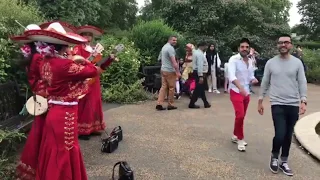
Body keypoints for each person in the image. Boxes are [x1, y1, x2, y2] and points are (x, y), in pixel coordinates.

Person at [24, 22, 99, 180]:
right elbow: (92, 71)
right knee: (65, 150)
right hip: (65, 115)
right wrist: (80, 59)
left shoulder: (45, 62)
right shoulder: (64, 65)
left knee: (53, 150)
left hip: (54, 111)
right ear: (64, 47)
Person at [258, 34, 307, 176]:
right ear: (277, 45)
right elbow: (265, 82)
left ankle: (284, 161)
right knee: (279, 134)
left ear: (291, 45)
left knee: (288, 135)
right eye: (280, 43)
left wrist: (303, 101)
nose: (283, 45)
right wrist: (260, 100)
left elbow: (302, 82)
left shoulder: (297, 63)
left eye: (286, 42)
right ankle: (274, 157)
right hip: (277, 103)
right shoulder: (271, 63)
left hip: (293, 104)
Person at [10, 24, 48, 179]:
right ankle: (41, 164)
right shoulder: (39, 57)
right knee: (43, 132)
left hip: (37, 95)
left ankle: (33, 166)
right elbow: (47, 76)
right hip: (45, 96)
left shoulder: (29, 56)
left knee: (39, 130)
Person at [73, 25, 112, 140]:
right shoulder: (77, 48)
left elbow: (98, 63)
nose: (88, 37)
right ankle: (82, 130)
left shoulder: (94, 48)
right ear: (81, 36)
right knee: (84, 101)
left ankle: (93, 128)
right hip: (83, 77)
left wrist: (105, 59)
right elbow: (75, 62)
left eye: (90, 35)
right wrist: (90, 57)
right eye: (85, 34)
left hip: (94, 77)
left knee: (95, 100)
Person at [228, 38, 258, 152]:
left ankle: (235, 135)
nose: (244, 49)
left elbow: (250, 76)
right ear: (238, 48)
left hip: (246, 92)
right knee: (240, 115)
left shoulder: (250, 61)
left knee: (241, 116)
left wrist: (253, 79)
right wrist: (240, 88)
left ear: (249, 48)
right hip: (236, 91)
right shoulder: (233, 59)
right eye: (242, 47)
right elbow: (231, 76)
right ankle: (240, 139)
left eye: (246, 47)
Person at [156, 35, 180, 111]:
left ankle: (159, 103)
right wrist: (178, 72)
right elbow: (174, 62)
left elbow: (161, 59)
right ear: (169, 40)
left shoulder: (164, 47)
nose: (175, 41)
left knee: (163, 87)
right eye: (173, 40)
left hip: (163, 70)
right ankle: (170, 104)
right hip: (170, 71)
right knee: (171, 88)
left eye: (176, 40)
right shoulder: (170, 48)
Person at [188, 41, 211, 109]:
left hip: (196, 71)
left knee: (201, 88)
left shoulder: (195, 52)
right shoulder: (200, 54)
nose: (206, 47)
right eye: (205, 46)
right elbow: (200, 65)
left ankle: (205, 102)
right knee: (198, 89)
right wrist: (200, 75)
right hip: (199, 72)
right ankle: (192, 103)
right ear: (202, 46)